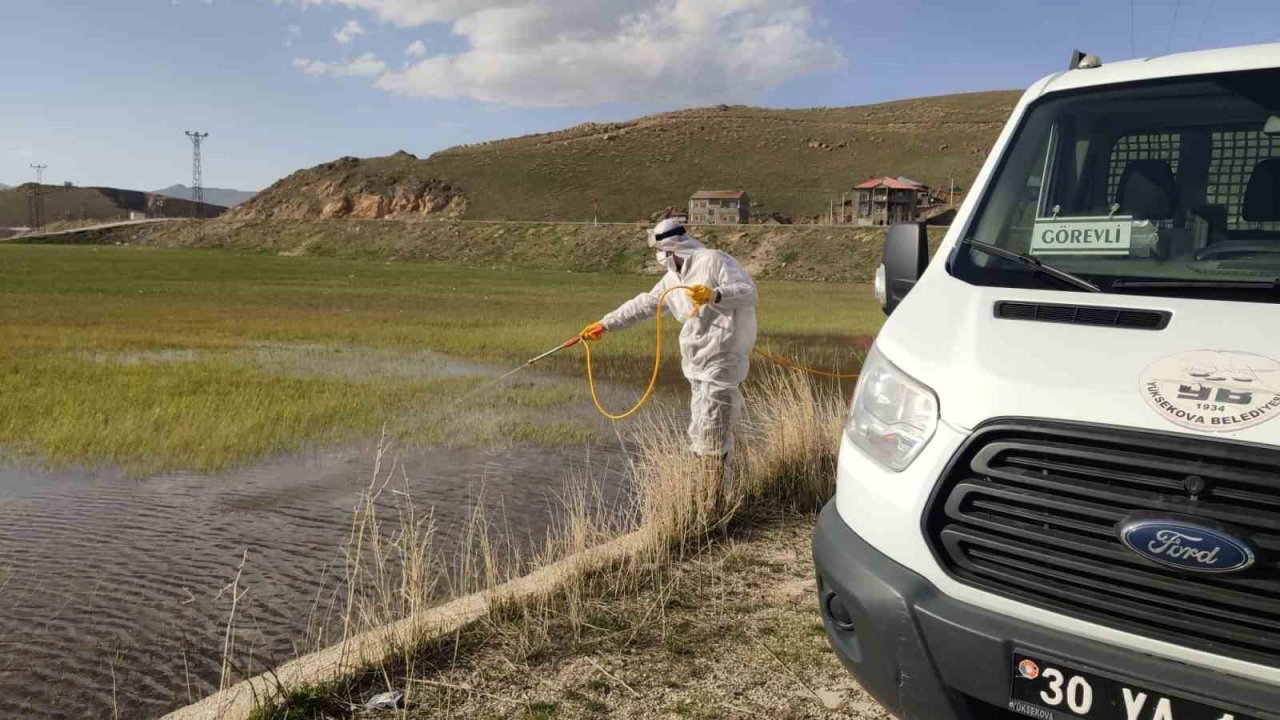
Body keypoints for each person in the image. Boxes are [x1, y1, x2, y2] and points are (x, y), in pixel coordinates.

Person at [582, 218, 758, 461]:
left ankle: (714, 486)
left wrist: (715, 294)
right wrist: (606, 324)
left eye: (660, 252)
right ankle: (706, 483)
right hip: (696, 359)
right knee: (700, 425)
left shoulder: (713, 260)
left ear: (672, 247)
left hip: (722, 354)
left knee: (714, 427)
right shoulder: (673, 278)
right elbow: (645, 304)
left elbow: (748, 292)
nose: (659, 257)